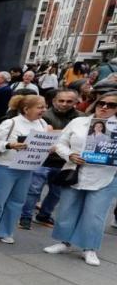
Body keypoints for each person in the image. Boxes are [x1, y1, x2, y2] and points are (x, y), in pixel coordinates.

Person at [43, 92, 117, 266]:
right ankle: (63, 242)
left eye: (111, 105)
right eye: (102, 103)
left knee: (95, 214)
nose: (105, 107)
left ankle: (89, 248)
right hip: (74, 171)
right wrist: (70, 155)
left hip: (105, 176)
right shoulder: (78, 122)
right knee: (67, 208)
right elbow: (60, 143)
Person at [0, 95, 49, 244]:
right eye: (40, 107)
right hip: (6, 166)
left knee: (17, 201)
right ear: (26, 109)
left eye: (44, 107)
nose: (43, 110)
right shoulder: (10, 123)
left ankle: (4, 231)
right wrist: (9, 145)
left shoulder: (42, 123)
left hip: (27, 167)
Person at [20, 88, 83, 229]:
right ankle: (25, 216)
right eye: (61, 100)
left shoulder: (81, 118)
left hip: (65, 161)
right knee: (34, 190)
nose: (64, 104)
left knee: (56, 192)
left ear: (76, 102)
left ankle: (44, 214)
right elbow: (39, 134)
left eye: (69, 101)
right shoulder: (44, 116)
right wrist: (67, 134)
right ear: (54, 101)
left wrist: (58, 134)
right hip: (43, 159)